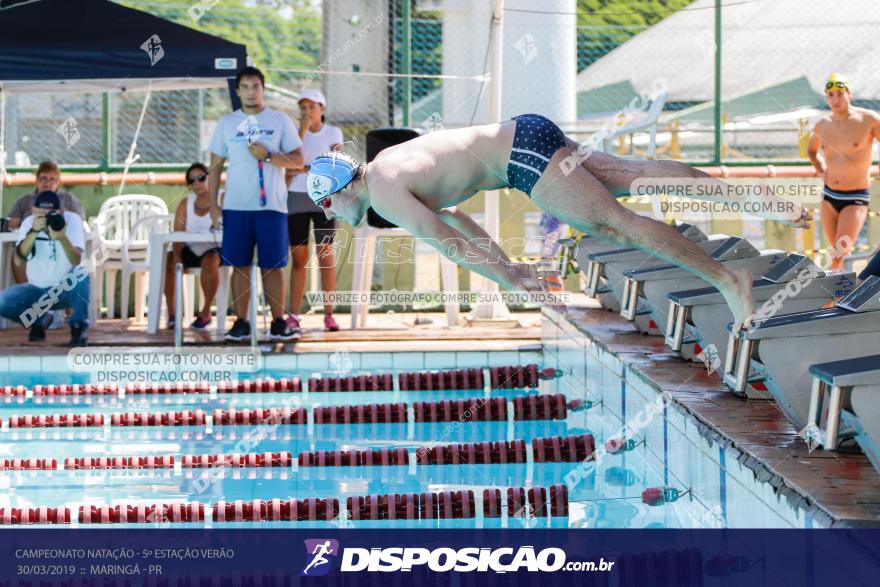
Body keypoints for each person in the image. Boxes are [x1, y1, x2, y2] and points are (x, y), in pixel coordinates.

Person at [307, 115, 813, 332]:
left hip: (520, 157)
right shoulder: (390, 167)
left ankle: (729, 280)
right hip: (526, 130)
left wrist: (512, 279)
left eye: (327, 204)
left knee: (614, 224)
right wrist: (508, 269)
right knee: (632, 177)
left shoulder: (386, 192)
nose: (330, 215)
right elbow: (457, 221)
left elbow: (450, 246)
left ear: (342, 189)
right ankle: (754, 198)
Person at [207, 66, 304, 341]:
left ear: (263, 89)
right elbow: (214, 168)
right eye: (246, 87)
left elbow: (298, 161)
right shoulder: (226, 123)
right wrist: (214, 207)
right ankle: (241, 322)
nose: (251, 92)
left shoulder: (280, 121)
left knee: (273, 265)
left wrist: (269, 156)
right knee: (239, 265)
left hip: (271, 207)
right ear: (238, 92)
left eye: (256, 86)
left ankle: (277, 322)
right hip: (237, 207)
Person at [808, 73, 880, 270]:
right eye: (830, 95)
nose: (835, 99)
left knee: (840, 254)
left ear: (849, 93)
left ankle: (837, 299)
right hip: (829, 195)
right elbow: (811, 150)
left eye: (839, 93)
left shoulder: (868, 120)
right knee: (836, 253)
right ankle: (838, 297)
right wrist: (820, 168)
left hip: (856, 196)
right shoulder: (823, 125)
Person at [284, 89, 343, 332]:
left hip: (324, 199)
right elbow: (290, 163)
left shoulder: (334, 132)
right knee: (299, 259)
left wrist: (304, 167)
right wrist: (302, 133)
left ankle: (329, 315)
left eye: (312, 107)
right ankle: (294, 315)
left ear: (322, 109)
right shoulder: (294, 134)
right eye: (303, 108)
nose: (307, 112)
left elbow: (335, 165)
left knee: (325, 256)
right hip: (295, 198)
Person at [0, 191, 89, 346]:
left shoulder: (71, 220)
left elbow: (76, 260)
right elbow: (19, 258)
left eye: (51, 214)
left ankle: (78, 328)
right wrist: (34, 232)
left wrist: (62, 237)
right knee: (2, 302)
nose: (47, 218)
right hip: (36, 291)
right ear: (34, 210)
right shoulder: (29, 222)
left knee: (81, 275)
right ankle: (39, 319)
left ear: (61, 211)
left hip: (64, 289)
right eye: (42, 214)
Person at [163, 163, 223, 330]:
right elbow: (177, 235)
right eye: (192, 180)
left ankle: (205, 313)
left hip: (218, 249)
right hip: (192, 249)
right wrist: (177, 256)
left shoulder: (223, 198)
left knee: (210, 260)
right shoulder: (185, 203)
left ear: (210, 178)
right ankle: (173, 315)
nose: (197, 183)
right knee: (168, 260)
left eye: (201, 178)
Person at [8, 161, 85, 286]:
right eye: (43, 178)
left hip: (62, 242)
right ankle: (28, 291)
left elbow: (80, 221)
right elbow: (12, 223)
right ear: (36, 180)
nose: (47, 183)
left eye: (52, 179)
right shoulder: (25, 201)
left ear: (58, 182)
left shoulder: (69, 199)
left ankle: (66, 297)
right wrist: (32, 225)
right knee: (17, 255)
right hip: (33, 243)